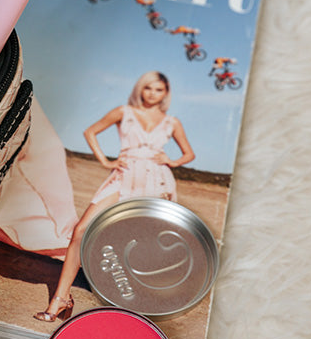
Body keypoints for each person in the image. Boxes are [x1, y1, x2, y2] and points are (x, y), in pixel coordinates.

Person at [33, 71, 195, 322]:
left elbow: (189, 154)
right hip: (124, 175)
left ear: (166, 93)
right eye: (148, 88)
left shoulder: (171, 122)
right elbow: (90, 132)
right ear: (141, 89)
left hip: (156, 181)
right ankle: (61, 298)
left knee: (143, 243)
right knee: (81, 230)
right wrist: (105, 161)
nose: (152, 94)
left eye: (159, 90)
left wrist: (171, 161)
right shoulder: (124, 112)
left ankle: (139, 307)